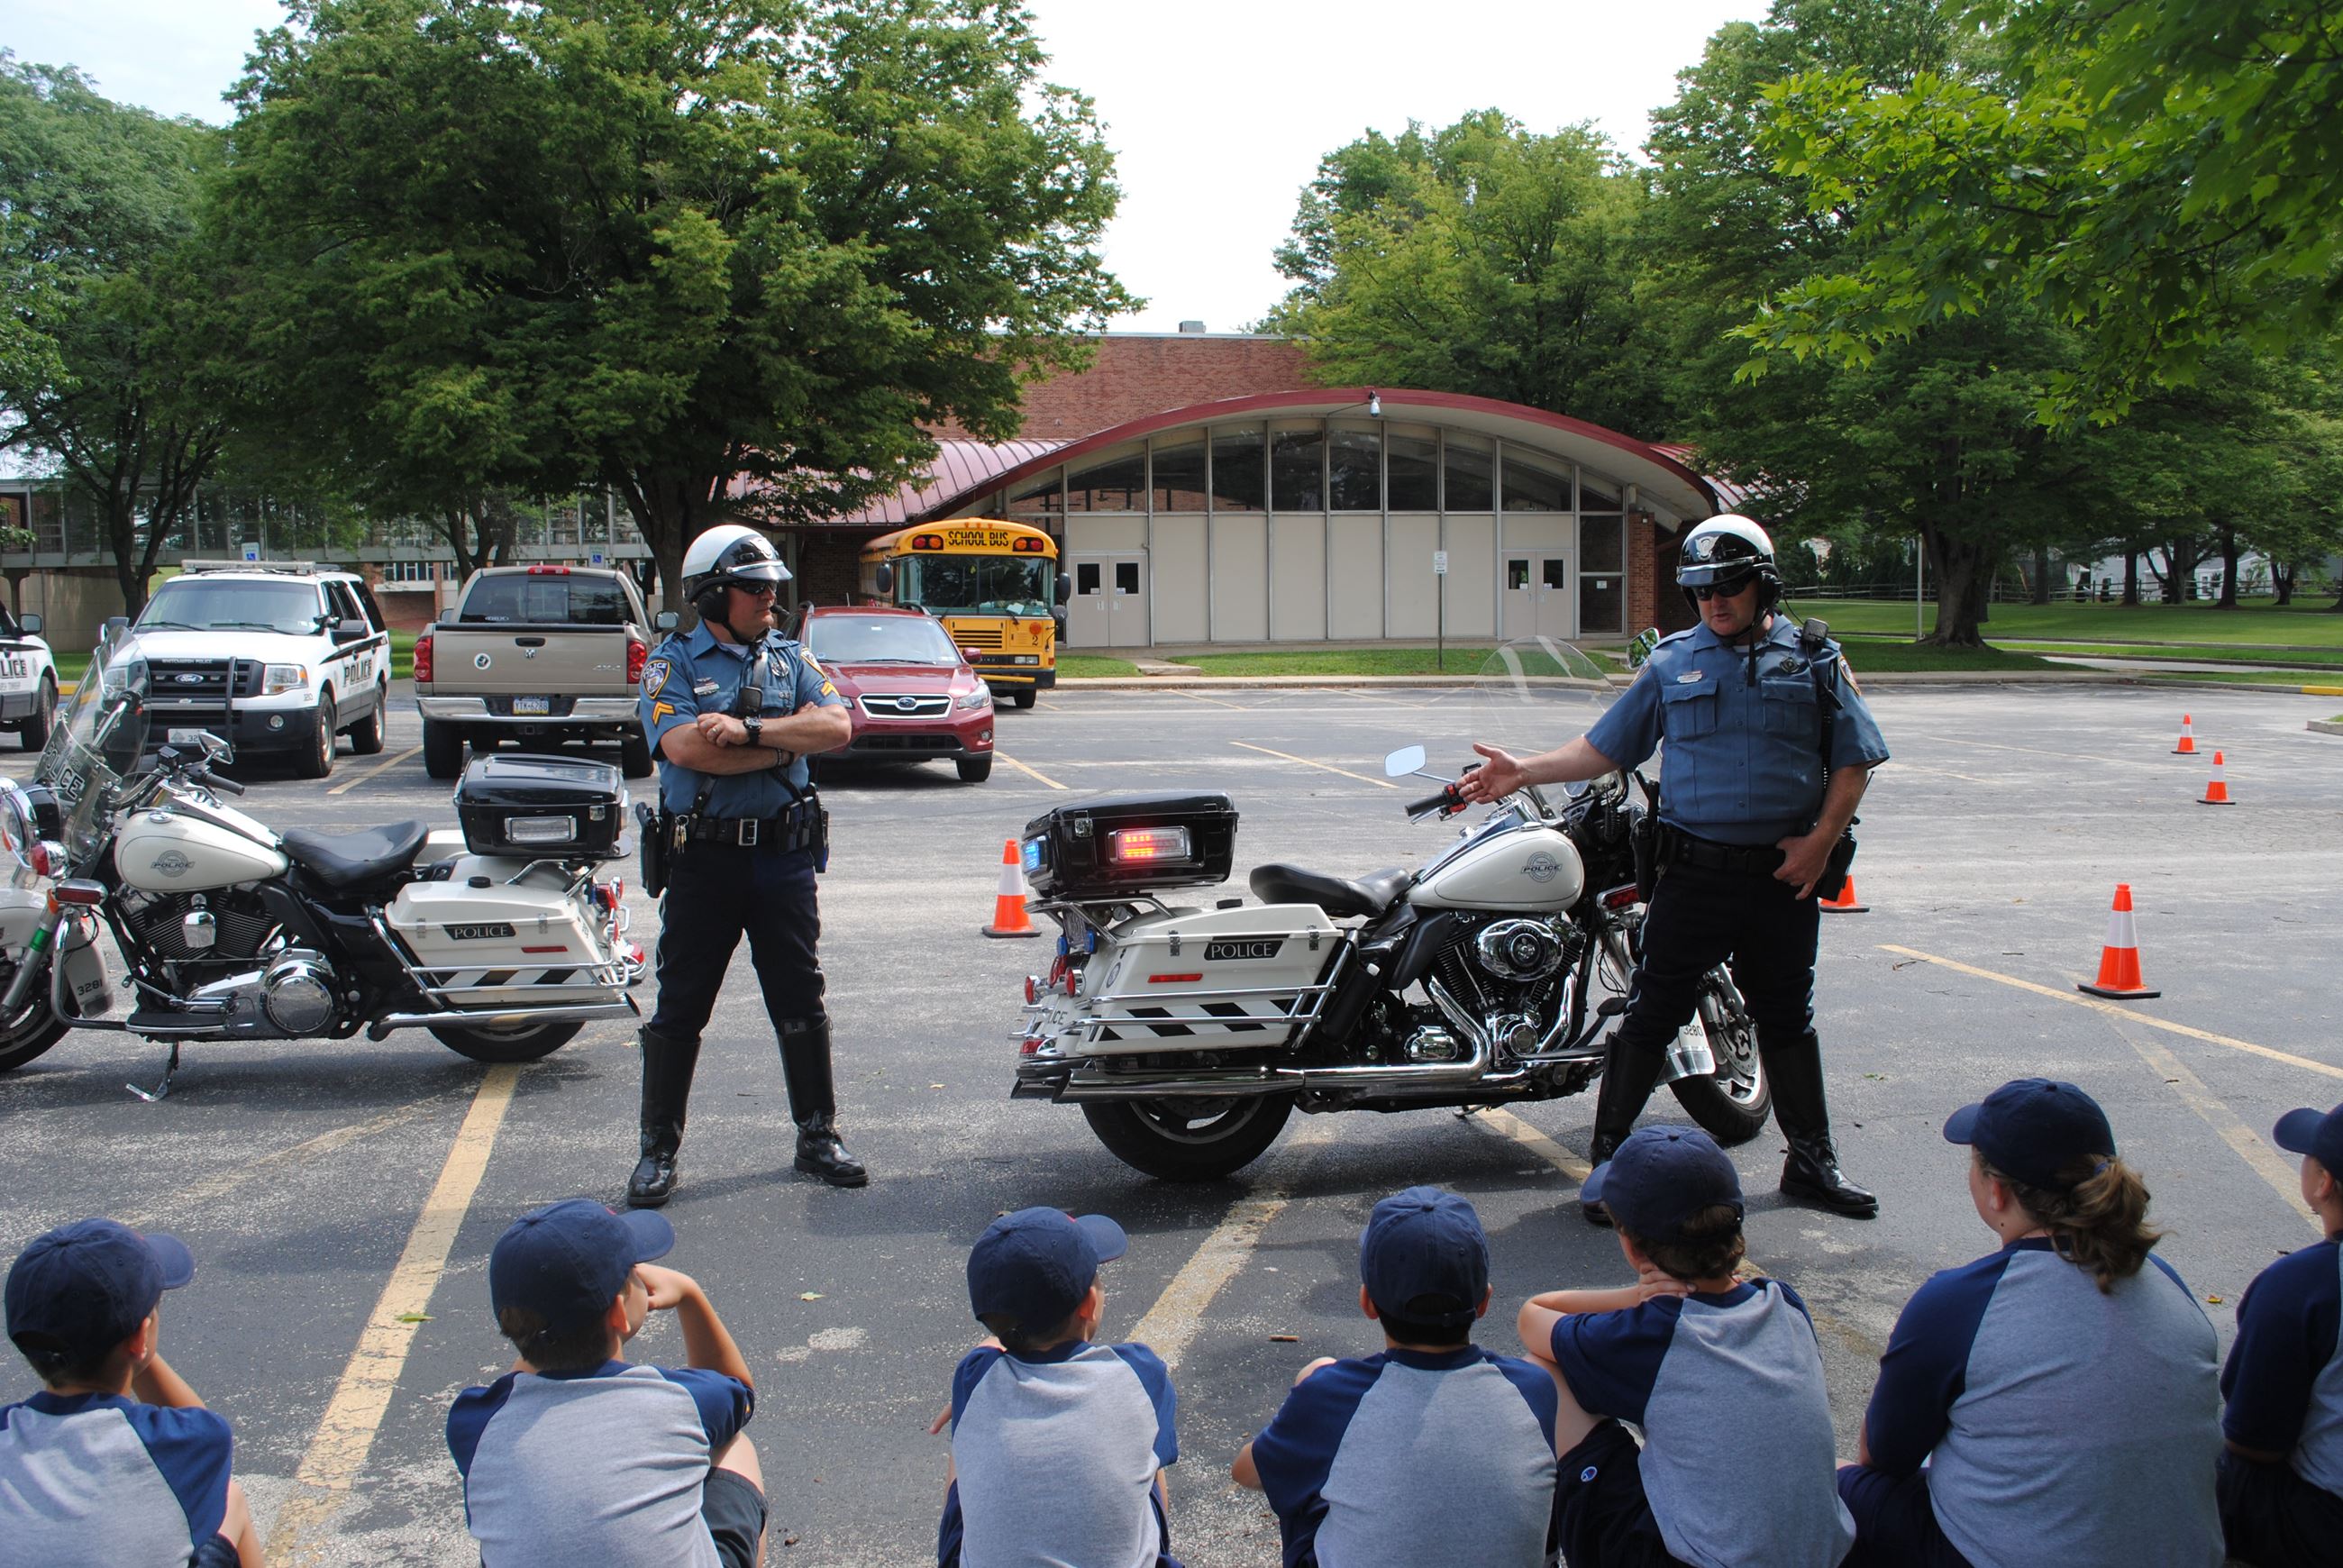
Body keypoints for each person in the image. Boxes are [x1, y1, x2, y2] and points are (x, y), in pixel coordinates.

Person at [1458, 514, 1887, 1221]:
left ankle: (1813, 1163)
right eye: (1701, 591)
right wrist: (1523, 769)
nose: (1715, 601)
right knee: (1653, 1012)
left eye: (1729, 587)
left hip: (1783, 876)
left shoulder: (1814, 659)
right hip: (1695, 873)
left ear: (1763, 585)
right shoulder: (1672, 662)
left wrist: (1821, 842)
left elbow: (1855, 759)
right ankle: (1608, 1166)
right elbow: (1606, 747)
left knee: (1786, 1017)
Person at [1838, 1079, 2223, 1567]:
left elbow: (1883, 1456)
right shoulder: (2165, 1279)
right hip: (2187, 1552)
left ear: (1997, 1192)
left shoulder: (1959, 1302)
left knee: (1841, 1479)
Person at [628, 522, 860, 1206]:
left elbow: (839, 726)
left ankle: (817, 1135)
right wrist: (789, 745)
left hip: (782, 861)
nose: (769, 598)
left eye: (771, 587)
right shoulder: (672, 664)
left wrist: (750, 731)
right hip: (704, 861)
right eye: (754, 588)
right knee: (681, 1005)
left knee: (800, 997)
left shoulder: (791, 658)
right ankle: (657, 1150)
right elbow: (685, 749)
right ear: (711, 596)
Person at [1517, 1127, 1853, 1568]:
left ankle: (1542, 1554)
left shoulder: (1653, 1333)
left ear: (1631, 1246)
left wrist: (1634, 1296)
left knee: (1544, 1372)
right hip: (1822, 1556)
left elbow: (1533, 1316)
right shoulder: (1783, 1302)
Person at [1235, 1187, 1562, 1568]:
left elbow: (1246, 1472)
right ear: (1485, 1302)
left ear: (1367, 1303)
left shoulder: (1331, 1395)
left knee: (1314, 1393)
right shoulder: (1533, 1387)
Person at [445, 1198, 763, 1568]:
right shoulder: (679, 1399)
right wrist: (691, 1296)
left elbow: (523, 1378)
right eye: (633, 1272)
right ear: (618, 1311)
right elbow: (737, 1388)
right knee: (734, 1446)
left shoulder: (473, 1420)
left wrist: (536, 1334)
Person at [1, 1218, 264, 1567]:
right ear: (141, 1337)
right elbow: (198, 1429)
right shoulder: (187, 1443)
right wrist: (138, 1350)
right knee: (231, 1499)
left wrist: (133, 1342)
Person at [938, 1207, 1178, 1568]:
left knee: (966, 1438)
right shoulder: (1141, 1372)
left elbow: (987, 1349)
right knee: (1143, 1443)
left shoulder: (971, 1378)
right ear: (1089, 1304)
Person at [2217, 1100, 2343, 1565]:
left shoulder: (2302, 1285)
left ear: (2323, 1182)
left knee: (2212, 1458)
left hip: (2324, 1524)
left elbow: (2254, 1441)